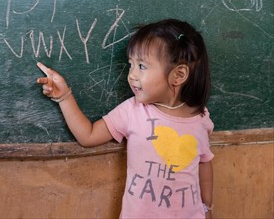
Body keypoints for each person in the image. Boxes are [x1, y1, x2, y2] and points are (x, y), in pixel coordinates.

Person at [37, 18, 214, 219]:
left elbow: (204, 163)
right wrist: (64, 97)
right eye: (131, 65)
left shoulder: (200, 118)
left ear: (178, 75)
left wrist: (207, 208)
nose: (131, 75)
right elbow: (88, 135)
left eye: (142, 66)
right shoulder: (134, 111)